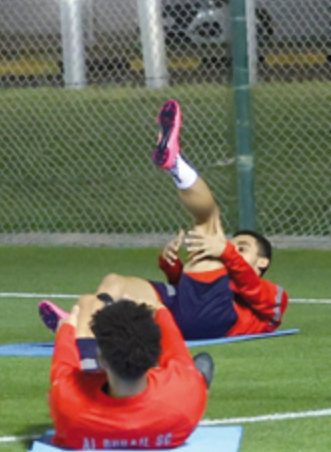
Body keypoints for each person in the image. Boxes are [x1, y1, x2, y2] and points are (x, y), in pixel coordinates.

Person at [48, 101, 286, 341]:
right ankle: (80, 324)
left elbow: (250, 288)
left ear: (262, 261)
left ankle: (175, 163)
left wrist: (225, 250)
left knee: (209, 222)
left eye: (242, 248)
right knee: (115, 282)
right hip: (182, 316)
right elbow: (190, 294)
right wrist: (171, 266)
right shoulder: (220, 272)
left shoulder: (274, 295)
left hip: (217, 322)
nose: (233, 248)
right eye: (233, 245)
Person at [46, 285, 209, 450]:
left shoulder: (68, 411)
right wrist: (159, 309)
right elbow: (176, 350)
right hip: (169, 399)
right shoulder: (186, 396)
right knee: (203, 363)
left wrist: (66, 327)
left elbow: (63, 367)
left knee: (86, 305)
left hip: (93, 395)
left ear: (102, 361)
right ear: (155, 357)